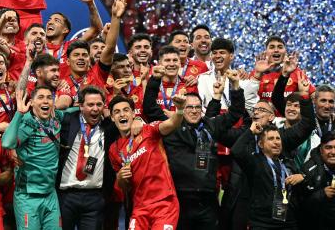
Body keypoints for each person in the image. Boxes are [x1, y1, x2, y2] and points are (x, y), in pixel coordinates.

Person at [143, 68, 246, 230]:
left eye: (198, 107)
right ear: (182, 108)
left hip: (208, 200)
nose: (194, 110)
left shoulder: (211, 125)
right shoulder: (172, 126)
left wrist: (235, 85)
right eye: (189, 107)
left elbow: (235, 113)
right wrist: (155, 79)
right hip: (179, 198)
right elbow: (150, 108)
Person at [108, 88, 187, 230]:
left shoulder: (149, 130)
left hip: (164, 204)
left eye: (126, 110)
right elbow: (125, 188)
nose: (122, 114)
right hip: (139, 209)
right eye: (117, 112)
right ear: (112, 118)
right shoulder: (114, 149)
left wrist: (180, 109)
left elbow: (171, 124)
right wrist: (120, 178)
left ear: (133, 113)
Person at [2, 86, 75, 230]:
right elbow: (6, 143)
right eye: (40, 97)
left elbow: (72, 111)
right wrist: (19, 114)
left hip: (50, 194)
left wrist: (84, 108)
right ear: (32, 103)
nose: (46, 101)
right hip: (27, 196)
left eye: (49, 97)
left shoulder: (56, 118)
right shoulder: (27, 123)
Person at [57, 86, 117, 230]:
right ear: (80, 106)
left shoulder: (109, 127)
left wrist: (137, 120)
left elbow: (128, 119)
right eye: (90, 105)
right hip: (66, 197)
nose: (95, 109)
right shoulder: (67, 122)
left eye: (99, 104)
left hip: (95, 198)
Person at [55, 0, 126, 108]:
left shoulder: (97, 73)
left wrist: (116, 18)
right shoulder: (61, 79)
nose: (81, 58)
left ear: (89, 59)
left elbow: (110, 47)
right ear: (67, 61)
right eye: (76, 55)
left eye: (84, 55)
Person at [231, 123, 306, 230]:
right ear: (261, 144)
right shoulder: (254, 162)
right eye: (271, 139)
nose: (276, 142)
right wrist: (251, 131)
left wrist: (302, 177)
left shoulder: (289, 163)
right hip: (262, 224)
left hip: (289, 223)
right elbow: (236, 150)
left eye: (278, 138)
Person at [197, 38, 260, 114]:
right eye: (214, 53)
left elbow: (251, 107)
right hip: (211, 121)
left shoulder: (241, 78)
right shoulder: (203, 79)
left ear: (231, 56)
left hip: (237, 123)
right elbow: (198, 105)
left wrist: (257, 77)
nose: (217, 56)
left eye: (222, 52)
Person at [255, 36, 315, 108]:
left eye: (280, 47)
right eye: (272, 47)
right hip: (264, 117)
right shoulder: (257, 74)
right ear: (266, 52)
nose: (276, 50)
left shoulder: (296, 73)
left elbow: (314, 96)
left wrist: (303, 94)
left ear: (285, 52)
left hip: (289, 116)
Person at [300, 131, 335, 230]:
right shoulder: (308, 170)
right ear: (321, 150)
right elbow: (300, 206)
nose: (333, 152)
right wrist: (322, 195)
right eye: (328, 148)